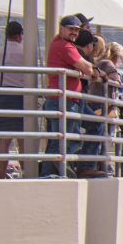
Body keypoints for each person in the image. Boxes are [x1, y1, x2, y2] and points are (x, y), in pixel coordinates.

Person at [41, 15, 97, 177]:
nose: (74, 33)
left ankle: (55, 172)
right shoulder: (65, 46)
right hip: (64, 100)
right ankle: (52, 175)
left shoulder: (62, 44)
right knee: (63, 141)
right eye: (71, 29)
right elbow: (87, 68)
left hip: (65, 99)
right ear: (62, 28)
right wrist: (92, 70)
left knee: (59, 141)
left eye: (77, 30)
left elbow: (84, 67)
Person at [0, 21, 26, 179]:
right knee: (23, 139)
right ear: (19, 35)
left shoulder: (0, 52)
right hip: (22, 97)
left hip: (3, 96)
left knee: (4, 140)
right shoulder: (26, 52)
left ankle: (1, 174)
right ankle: (26, 173)